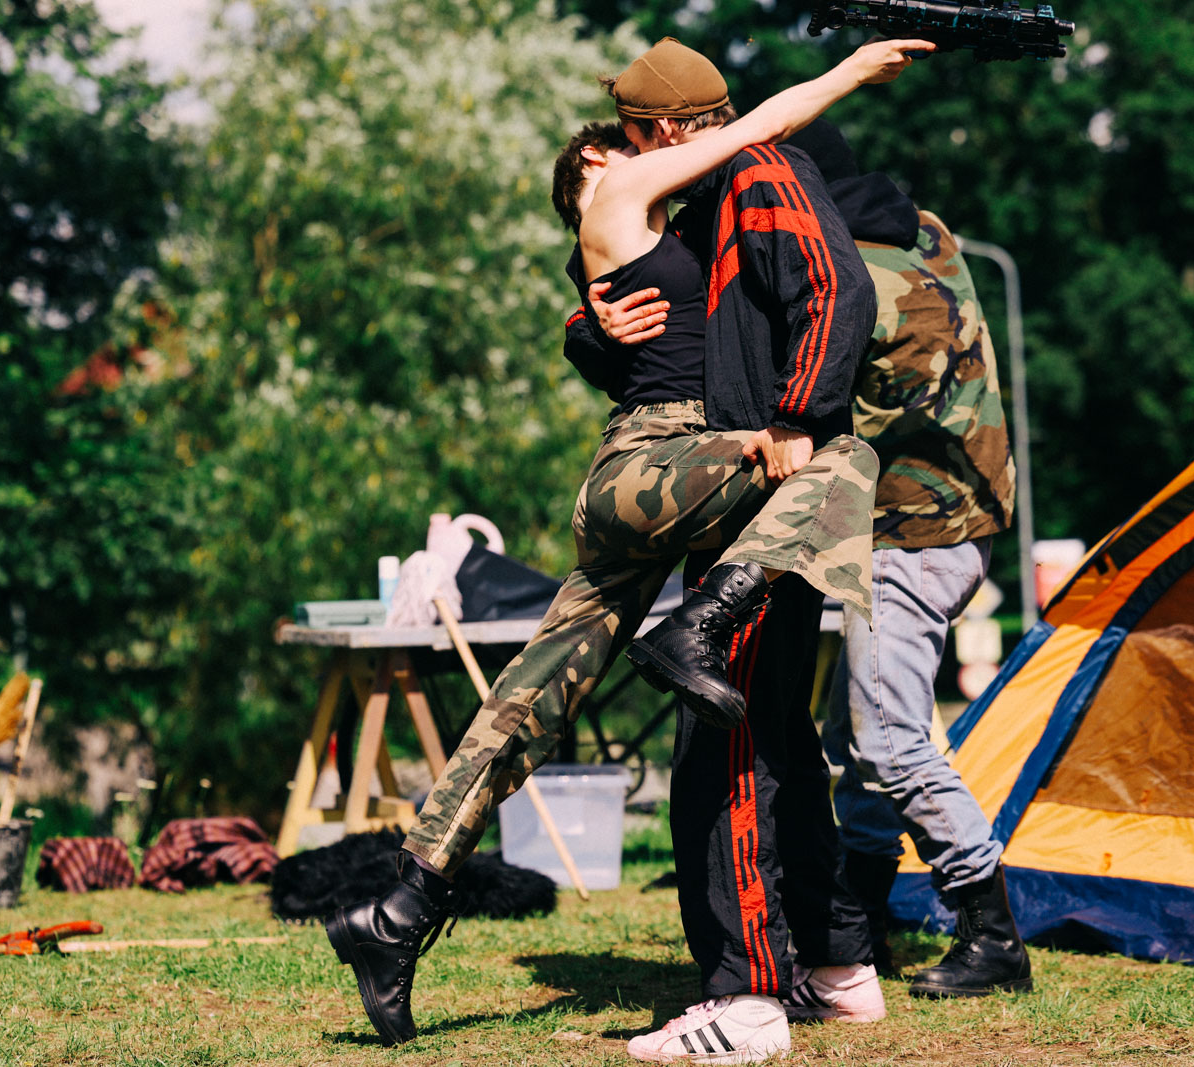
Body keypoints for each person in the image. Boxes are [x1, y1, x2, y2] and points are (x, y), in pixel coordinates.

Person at [323, 38, 930, 1055]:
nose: (625, 159)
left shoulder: (671, 214)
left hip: (651, 477)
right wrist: (851, 72)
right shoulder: (634, 188)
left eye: (624, 143)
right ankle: (703, 622)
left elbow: (687, 289)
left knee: (527, 699)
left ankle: (399, 906)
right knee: (840, 460)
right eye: (606, 154)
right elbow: (758, 129)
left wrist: (591, 325)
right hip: (659, 464)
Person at [587, 118, 1032, 1000]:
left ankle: (992, 930)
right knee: (855, 734)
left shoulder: (857, 276)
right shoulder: (923, 230)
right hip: (944, 521)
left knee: (888, 736)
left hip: (916, 530)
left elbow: (802, 384)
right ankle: (861, 916)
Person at [563, 38, 939, 1062]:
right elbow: (671, 337)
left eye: (632, 136)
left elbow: (836, 290)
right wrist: (592, 327)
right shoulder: (713, 192)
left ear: (664, 129)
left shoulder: (762, 173)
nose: (629, 154)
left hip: (766, 494)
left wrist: (796, 416)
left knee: (723, 747)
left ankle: (749, 997)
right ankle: (839, 967)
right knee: (773, 730)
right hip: (748, 498)